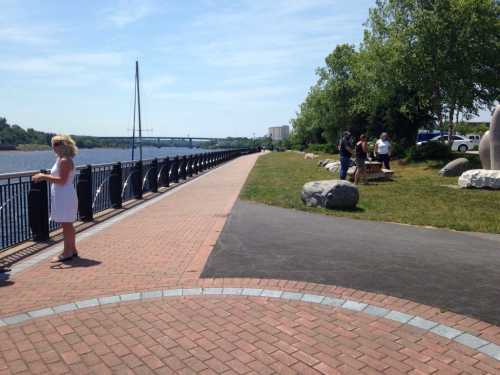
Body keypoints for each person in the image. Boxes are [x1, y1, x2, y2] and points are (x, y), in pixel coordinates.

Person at [32, 135, 79, 262]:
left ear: (63, 146)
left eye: (56, 144)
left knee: (66, 224)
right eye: (53, 144)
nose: (53, 147)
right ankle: (72, 250)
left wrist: (43, 176)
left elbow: (62, 181)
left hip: (64, 195)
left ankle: (67, 252)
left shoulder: (64, 160)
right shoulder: (61, 159)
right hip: (63, 195)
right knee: (68, 224)